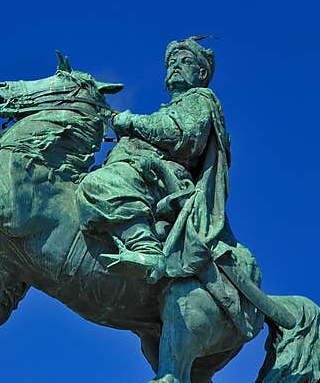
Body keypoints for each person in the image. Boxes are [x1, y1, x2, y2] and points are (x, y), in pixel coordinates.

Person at [76, 37, 232, 283]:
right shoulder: (169, 106)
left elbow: (181, 134)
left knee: (99, 184)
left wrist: (130, 122)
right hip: (142, 174)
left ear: (201, 73)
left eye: (185, 61)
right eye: (171, 62)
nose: (176, 66)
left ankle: (146, 249)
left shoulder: (200, 98)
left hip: (164, 181)